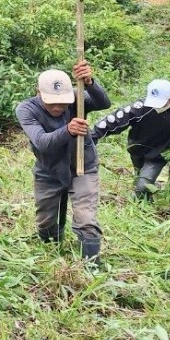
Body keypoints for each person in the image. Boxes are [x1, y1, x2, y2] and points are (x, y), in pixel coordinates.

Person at [15, 63, 111, 263]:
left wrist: (90, 83)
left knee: (86, 218)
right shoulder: (26, 109)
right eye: (52, 103)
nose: (58, 107)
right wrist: (68, 130)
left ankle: (91, 265)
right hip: (49, 171)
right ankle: (51, 253)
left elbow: (103, 103)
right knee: (46, 223)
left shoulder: (77, 98)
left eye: (63, 102)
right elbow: (42, 142)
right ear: (38, 93)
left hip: (83, 167)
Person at [92, 79, 170, 199]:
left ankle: (142, 195)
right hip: (137, 148)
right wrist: (92, 135)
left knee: (142, 186)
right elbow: (113, 121)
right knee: (140, 176)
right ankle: (148, 194)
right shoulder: (139, 107)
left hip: (161, 153)